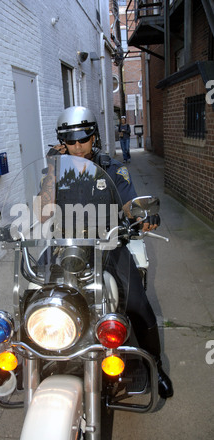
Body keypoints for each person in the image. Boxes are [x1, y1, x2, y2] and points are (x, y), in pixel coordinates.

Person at [49, 106, 173, 399]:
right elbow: (43, 207)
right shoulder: (55, 168)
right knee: (35, 293)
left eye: (84, 139)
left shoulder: (114, 168)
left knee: (137, 304)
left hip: (108, 243)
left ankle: (154, 365)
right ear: (61, 141)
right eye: (71, 141)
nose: (78, 147)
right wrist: (52, 169)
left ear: (95, 138)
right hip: (67, 245)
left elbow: (128, 203)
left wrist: (142, 215)